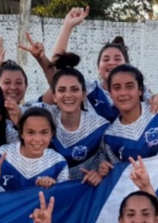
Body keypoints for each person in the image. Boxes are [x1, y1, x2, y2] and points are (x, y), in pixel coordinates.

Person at [35, 53, 111, 184]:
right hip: (49, 191)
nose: (68, 95)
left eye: (74, 89)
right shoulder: (43, 114)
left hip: (85, 193)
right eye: (62, 90)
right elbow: (14, 113)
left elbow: (108, 162)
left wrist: (100, 173)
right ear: (54, 96)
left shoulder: (100, 126)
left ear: (84, 94)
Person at [101, 65, 158, 164]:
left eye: (130, 86)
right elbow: (120, 173)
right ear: (110, 94)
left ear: (140, 90)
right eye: (117, 88)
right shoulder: (110, 137)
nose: (123, 93)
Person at [0, 107, 69, 192]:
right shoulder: (3, 155)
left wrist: (54, 187)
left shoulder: (58, 162)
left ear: (52, 134)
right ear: (21, 133)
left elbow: (65, 200)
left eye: (44, 132)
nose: (37, 139)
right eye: (30, 132)